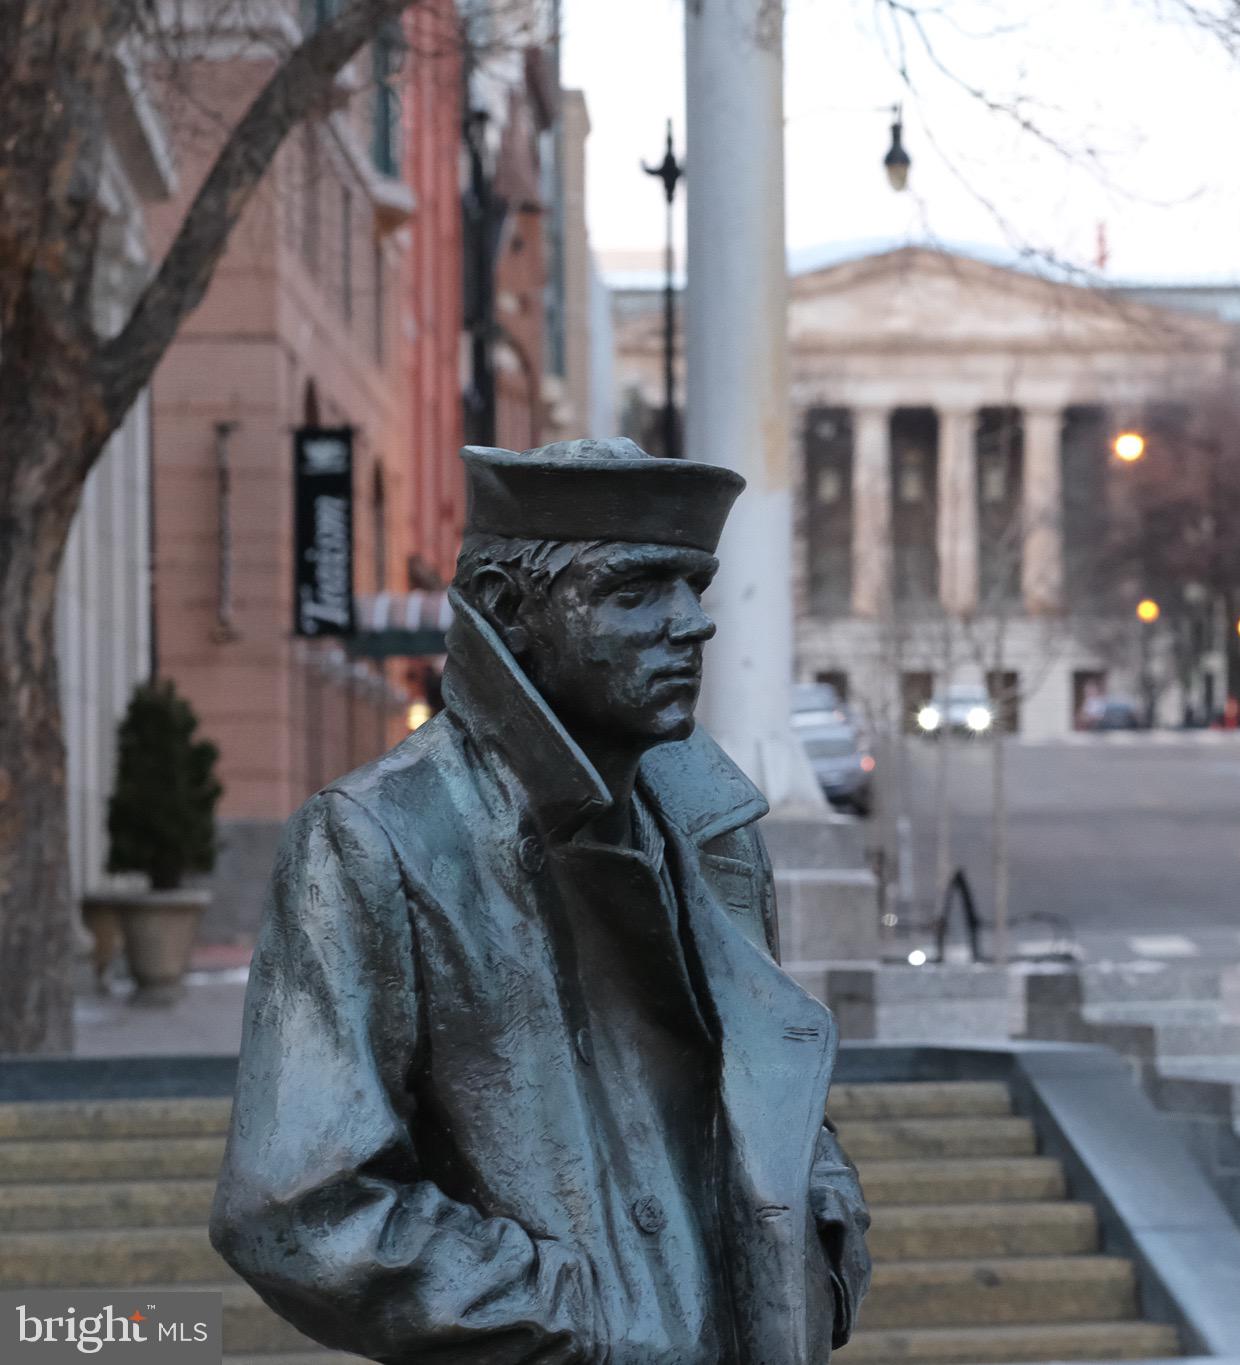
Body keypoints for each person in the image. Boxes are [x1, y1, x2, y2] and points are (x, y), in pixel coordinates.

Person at [212, 438, 870, 1364]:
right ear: (508, 613)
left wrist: (823, 1229)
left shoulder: (714, 830)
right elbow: (299, 1203)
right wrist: (586, 1318)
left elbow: (769, 1082)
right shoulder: (377, 837)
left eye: (693, 586)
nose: (692, 623)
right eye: (635, 592)